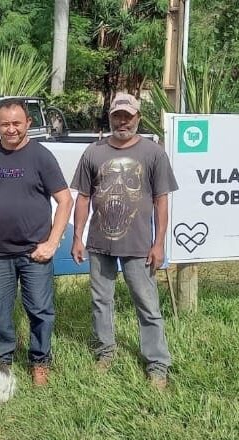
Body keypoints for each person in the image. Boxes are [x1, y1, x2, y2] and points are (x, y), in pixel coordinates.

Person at [70, 93, 178, 390]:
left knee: (147, 304)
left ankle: (157, 363)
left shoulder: (153, 153)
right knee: (100, 301)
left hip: (139, 245)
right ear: (110, 117)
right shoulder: (94, 152)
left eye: (127, 117)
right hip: (99, 243)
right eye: (117, 116)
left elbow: (161, 199)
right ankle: (105, 352)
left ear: (137, 119)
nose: (122, 121)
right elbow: (83, 197)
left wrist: (158, 244)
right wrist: (77, 236)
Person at [0, 98, 72, 386]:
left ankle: (40, 361)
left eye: (17, 123)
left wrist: (52, 243)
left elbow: (64, 200)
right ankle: (1, 360)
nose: (11, 129)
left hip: (34, 253)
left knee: (40, 310)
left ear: (28, 123)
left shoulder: (41, 156)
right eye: (5, 124)